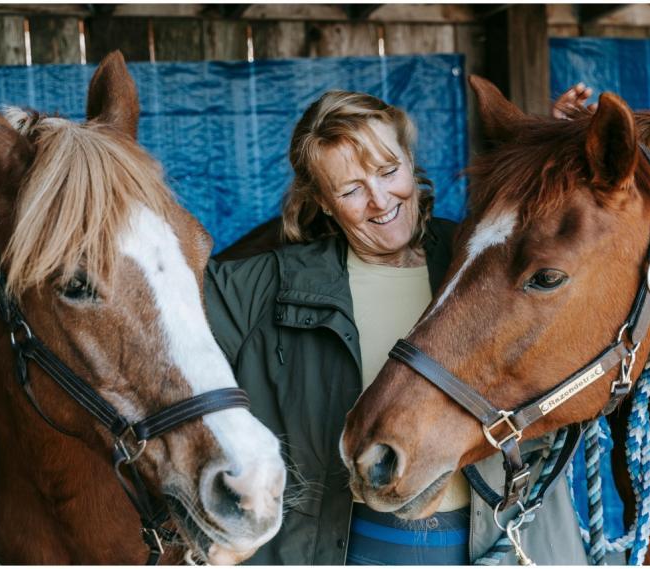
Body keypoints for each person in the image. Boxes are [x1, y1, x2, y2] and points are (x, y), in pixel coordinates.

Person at [204, 86, 593, 565]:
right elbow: (152, 320)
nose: (379, 200)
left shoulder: (478, 258)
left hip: (499, 545)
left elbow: (563, 240)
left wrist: (560, 145)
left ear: (410, 160)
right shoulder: (267, 285)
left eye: (389, 171)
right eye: (350, 190)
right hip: (355, 548)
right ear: (323, 202)